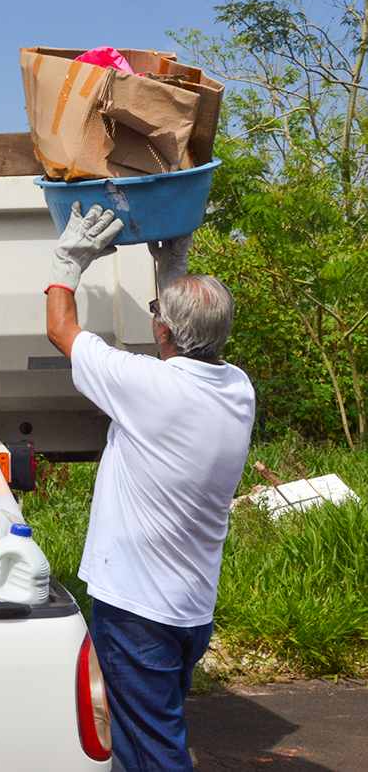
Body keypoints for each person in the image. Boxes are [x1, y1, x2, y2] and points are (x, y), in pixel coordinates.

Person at [44, 202, 255, 772]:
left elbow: (61, 329)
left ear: (162, 330)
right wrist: (172, 272)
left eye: (158, 312)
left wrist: (67, 263)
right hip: (189, 611)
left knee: (151, 755)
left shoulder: (150, 389)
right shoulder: (238, 390)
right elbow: (183, 340)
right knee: (149, 735)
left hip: (140, 614)